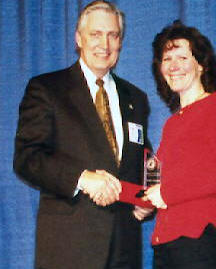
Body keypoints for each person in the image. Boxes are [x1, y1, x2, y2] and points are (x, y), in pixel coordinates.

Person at [13, 1, 152, 269]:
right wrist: (82, 178)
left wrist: (146, 199)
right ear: (79, 39)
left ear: (120, 42)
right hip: (69, 249)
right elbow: (27, 158)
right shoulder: (47, 88)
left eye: (112, 35)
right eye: (95, 34)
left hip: (125, 249)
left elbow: (143, 159)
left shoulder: (136, 98)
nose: (105, 44)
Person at [114, 20, 216, 269]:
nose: (174, 66)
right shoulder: (172, 124)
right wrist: (113, 187)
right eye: (167, 59)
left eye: (183, 57)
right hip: (167, 243)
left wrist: (166, 193)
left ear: (201, 65)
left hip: (201, 238)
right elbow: (154, 189)